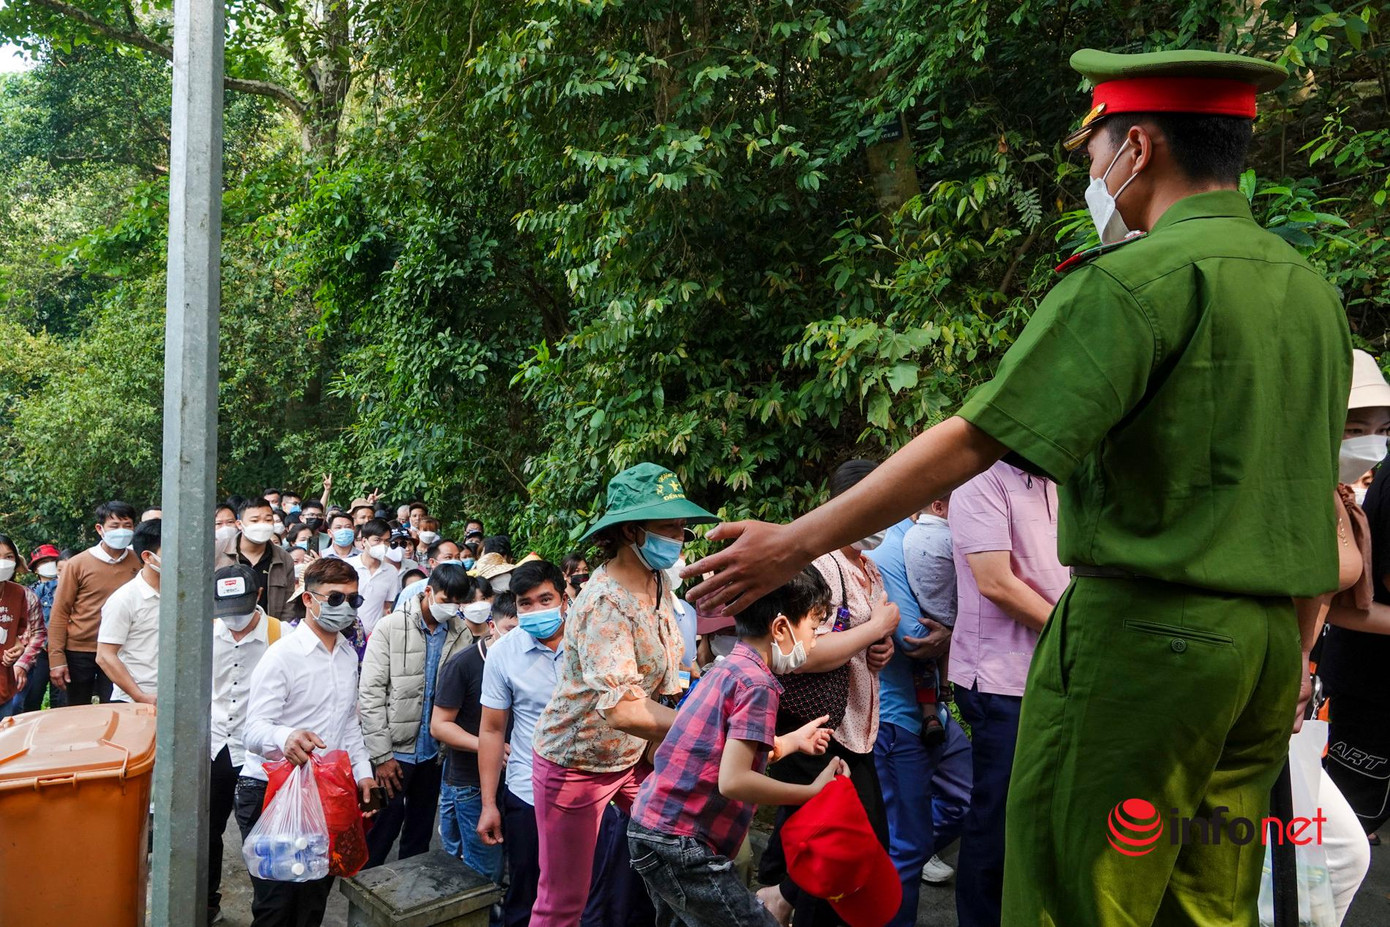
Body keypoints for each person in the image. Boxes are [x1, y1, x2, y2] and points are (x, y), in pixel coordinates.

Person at [687, 49, 1349, 927]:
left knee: (1083, 893)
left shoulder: (1135, 282)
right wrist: (1295, 652)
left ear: (1138, 148)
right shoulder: (1311, 295)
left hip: (1144, 653)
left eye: (1092, 154)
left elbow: (974, 437)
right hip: (1266, 653)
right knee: (1211, 899)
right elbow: (1309, 501)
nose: (1090, 176)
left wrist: (794, 540)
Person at [528, 464, 718, 927]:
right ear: (631, 531)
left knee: (680, 847)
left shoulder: (658, 582)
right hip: (576, 761)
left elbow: (667, 672)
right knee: (562, 900)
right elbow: (624, 706)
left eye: (682, 524)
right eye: (670, 525)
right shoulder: (604, 602)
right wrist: (707, 726)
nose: (682, 535)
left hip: (634, 756)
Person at [628, 566, 847, 927]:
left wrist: (790, 742)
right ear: (780, 628)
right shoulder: (759, 685)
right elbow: (733, 780)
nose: (812, 641)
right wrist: (810, 793)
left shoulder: (726, 669)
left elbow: (716, 753)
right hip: (682, 841)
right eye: (812, 628)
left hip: (653, 828)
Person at [756, 460, 900, 927]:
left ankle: (776, 898)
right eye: (871, 507)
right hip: (817, 728)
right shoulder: (821, 565)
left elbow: (859, 642)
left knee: (809, 834)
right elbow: (801, 654)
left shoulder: (869, 568)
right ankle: (781, 898)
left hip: (857, 723)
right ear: (843, 508)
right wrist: (875, 628)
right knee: (844, 843)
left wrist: (881, 647)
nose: (881, 518)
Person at [946, 460, 1070, 926]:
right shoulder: (980, 482)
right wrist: (1071, 632)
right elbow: (996, 582)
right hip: (999, 678)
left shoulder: (1057, 480)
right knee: (998, 814)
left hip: (1052, 669)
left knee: (1043, 809)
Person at [474, 561, 616, 927]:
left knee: (592, 898)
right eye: (526, 604)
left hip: (596, 792)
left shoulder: (596, 642)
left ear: (564, 596)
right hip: (528, 794)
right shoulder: (504, 654)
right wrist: (489, 804)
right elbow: (491, 730)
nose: (536, 610)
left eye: (545, 599)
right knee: (527, 896)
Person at [237, 557, 377, 927]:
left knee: (313, 900)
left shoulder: (348, 656)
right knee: (275, 906)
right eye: (334, 598)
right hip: (272, 793)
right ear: (309, 600)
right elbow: (254, 731)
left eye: (352, 599)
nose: (344, 607)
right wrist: (286, 737)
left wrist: (363, 775)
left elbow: (349, 724)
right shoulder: (282, 656)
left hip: (326, 793)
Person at [865, 499, 972, 921]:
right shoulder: (888, 550)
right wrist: (951, 632)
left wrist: (950, 630)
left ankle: (889, 854)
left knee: (965, 798)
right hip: (896, 718)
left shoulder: (919, 539)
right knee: (905, 850)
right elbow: (914, 638)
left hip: (932, 711)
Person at [359, 563, 475, 867]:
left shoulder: (460, 632)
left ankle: (408, 898)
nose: (452, 608)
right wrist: (381, 756)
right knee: (380, 825)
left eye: (458, 603)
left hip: (433, 753)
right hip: (392, 752)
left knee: (420, 831)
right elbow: (370, 695)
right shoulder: (390, 627)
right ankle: (363, 893)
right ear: (428, 592)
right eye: (446, 599)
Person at [208, 564, 284, 925]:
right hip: (213, 747)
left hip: (259, 753)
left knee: (260, 839)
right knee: (207, 832)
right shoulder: (207, 632)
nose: (233, 620)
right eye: (226, 612)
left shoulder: (279, 636)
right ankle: (206, 904)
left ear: (258, 597)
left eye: (240, 609)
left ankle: (266, 915)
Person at [431, 575, 509, 880]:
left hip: (513, 780)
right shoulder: (463, 665)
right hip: (469, 782)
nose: (518, 641)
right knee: (482, 870)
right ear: (493, 626)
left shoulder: (526, 662)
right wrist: (488, 746)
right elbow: (439, 726)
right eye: (510, 632)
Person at [48, 500, 141, 705]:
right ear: (100, 529)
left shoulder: (140, 561)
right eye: (114, 526)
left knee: (118, 709)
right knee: (75, 712)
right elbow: (60, 612)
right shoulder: (77, 564)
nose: (122, 531)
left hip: (121, 650)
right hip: (80, 651)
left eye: (127, 526)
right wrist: (56, 659)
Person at [95, 519, 163, 705]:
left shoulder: (185, 595)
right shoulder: (124, 599)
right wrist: (140, 696)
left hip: (177, 697)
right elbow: (105, 656)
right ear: (148, 557)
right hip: (136, 701)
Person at [215, 497, 303, 622]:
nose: (262, 525)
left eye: (268, 520)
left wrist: (280, 631)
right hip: (224, 633)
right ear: (239, 524)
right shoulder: (217, 553)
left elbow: (289, 604)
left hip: (269, 633)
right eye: (255, 521)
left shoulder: (283, 559)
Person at [9, 543, 64, 713]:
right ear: (35, 568)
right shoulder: (28, 592)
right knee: (30, 699)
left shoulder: (65, 587)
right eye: (43, 561)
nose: (48, 564)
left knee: (61, 701)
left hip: (62, 650)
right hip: (36, 653)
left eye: (52, 560)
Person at [0, 535, 43, 717]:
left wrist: (18, 647)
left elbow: (25, 632)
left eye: (8, 557)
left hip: (4, 688)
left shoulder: (19, 594)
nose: (3, 562)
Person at [348, 519, 405, 638]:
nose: (382, 545)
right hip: (347, 634)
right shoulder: (347, 566)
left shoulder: (390, 571)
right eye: (377, 540)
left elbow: (387, 607)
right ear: (364, 541)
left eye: (386, 541)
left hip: (374, 637)